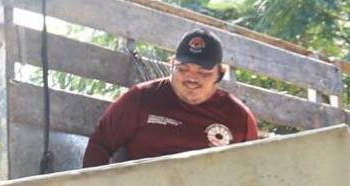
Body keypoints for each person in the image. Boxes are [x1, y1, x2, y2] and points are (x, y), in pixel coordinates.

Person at [82, 29, 259, 167]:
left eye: (203, 72)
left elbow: (254, 169)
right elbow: (100, 143)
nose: (191, 78)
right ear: (172, 64)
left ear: (220, 74)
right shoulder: (140, 98)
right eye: (183, 69)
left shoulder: (239, 118)